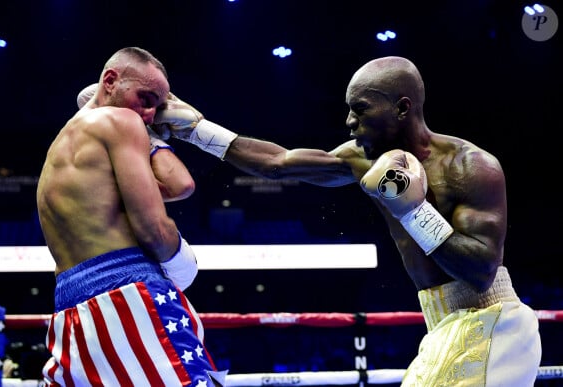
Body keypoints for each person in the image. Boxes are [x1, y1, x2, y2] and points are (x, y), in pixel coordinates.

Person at [154, 56, 542, 385]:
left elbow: (480, 270)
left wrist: (413, 209)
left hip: (491, 323)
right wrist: (195, 129)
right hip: (444, 325)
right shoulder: (361, 159)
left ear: (403, 108)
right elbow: (278, 164)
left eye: (361, 109)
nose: (350, 122)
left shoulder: (470, 167)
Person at [36, 47, 226, 386]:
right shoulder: (121, 120)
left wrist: (150, 134)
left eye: (158, 105)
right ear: (110, 81)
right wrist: (183, 263)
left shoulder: (63, 143)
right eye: (146, 98)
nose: (152, 113)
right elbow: (153, 229)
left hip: (69, 313)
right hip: (128, 297)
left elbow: (179, 184)